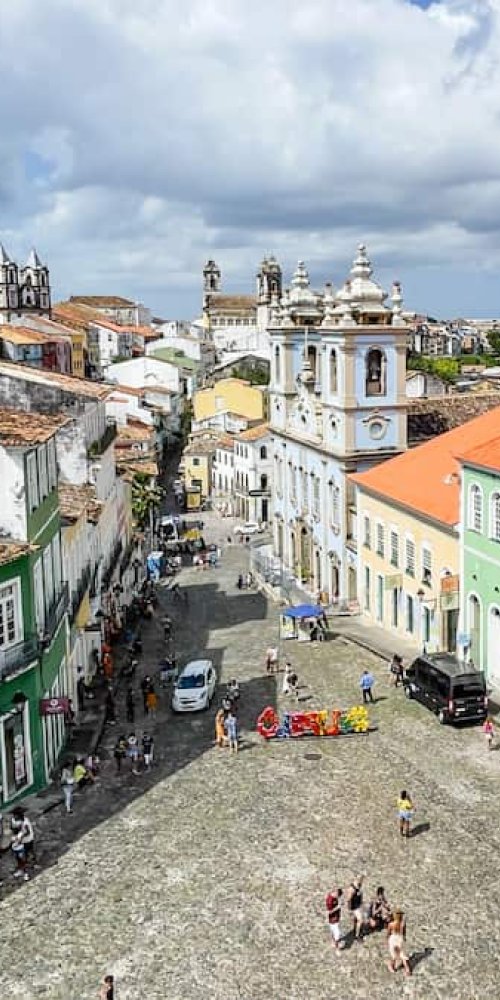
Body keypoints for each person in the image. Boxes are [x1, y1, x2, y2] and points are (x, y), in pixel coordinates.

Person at [10, 808, 34, 880]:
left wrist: (19, 837)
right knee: (18, 857)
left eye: (15, 815)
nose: (14, 816)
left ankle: (26, 873)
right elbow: (12, 828)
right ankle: (20, 870)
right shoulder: (13, 820)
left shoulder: (25, 822)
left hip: (27, 841)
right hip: (18, 841)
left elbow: (27, 832)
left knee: (23, 858)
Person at [387, 909, 411, 976]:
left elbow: (388, 934)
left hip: (393, 939)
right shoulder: (403, 923)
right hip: (400, 939)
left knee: (394, 955)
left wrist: (387, 940)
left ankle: (392, 966)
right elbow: (404, 933)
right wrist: (404, 938)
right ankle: (407, 970)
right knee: (403, 955)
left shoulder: (391, 924)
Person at [346, 877, 365, 941]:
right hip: (354, 907)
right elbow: (348, 900)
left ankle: (355, 929)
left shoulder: (359, 885)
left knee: (356, 919)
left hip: (358, 905)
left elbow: (360, 894)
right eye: (360, 879)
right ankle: (357, 935)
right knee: (360, 920)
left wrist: (361, 902)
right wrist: (350, 909)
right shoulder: (352, 889)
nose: (361, 881)